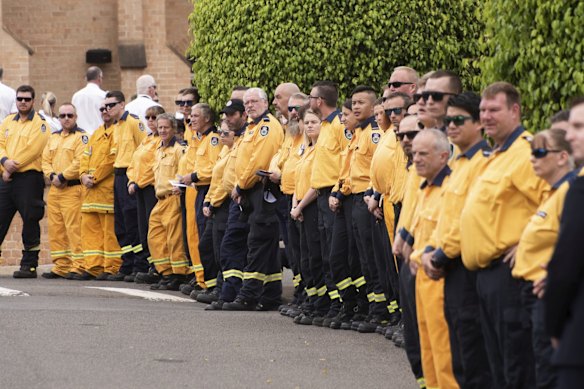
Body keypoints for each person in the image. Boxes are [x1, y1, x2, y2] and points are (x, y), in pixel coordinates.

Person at [460, 82, 547, 388]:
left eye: (494, 109)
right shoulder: (496, 155)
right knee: (496, 364)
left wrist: (527, 239)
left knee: (516, 365)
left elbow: (557, 197)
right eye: (483, 110)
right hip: (486, 278)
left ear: (515, 110)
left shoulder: (526, 152)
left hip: (509, 277)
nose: (486, 116)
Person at [422, 92, 493, 388]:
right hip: (446, 264)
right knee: (458, 358)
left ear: (479, 123)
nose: (450, 125)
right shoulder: (459, 163)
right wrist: (430, 249)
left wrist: (439, 254)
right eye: (448, 120)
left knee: (473, 359)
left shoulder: (484, 163)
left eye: (459, 120)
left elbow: (470, 219)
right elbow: (446, 216)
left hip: (466, 267)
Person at [513, 128, 575, 388]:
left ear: (562, 157)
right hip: (533, 293)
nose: (532, 159)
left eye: (539, 152)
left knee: (549, 371)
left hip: (548, 293)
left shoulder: (571, 192)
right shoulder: (554, 192)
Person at [222, 87, 284, 311]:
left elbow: (258, 161)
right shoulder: (252, 127)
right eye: (246, 102)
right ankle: (270, 295)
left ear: (265, 103)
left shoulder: (267, 127)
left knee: (257, 242)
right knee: (264, 245)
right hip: (252, 191)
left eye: (254, 101)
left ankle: (248, 295)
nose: (249, 105)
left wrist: (240, 185)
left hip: (260, 189)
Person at [408, 129, 459, 389]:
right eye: (414, 153)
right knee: (427, 351)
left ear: (443, 156)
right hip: (422, 280)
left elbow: (449, 234)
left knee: (444, 355)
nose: (416, 158)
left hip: (440, 280)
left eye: (423, 153)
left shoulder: (450, 188)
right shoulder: (425, 188)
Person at [545, 99, 584, 389]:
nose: (569, 136)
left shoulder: (579, 190)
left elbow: (565, 267)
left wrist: (555, 326)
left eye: (579, 127)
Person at [307, 81, 348, 324]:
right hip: (322, 196)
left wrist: (337, 191)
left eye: (312, 97)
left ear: (319, 101)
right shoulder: (324, 126)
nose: (310, 101)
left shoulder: (338, 126)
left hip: (333, 196)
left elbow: (346, 161)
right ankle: (333, 303)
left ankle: (344, 304)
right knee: (324, 254)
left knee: (336, 254)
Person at [346, 85, 386, 331]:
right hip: (355, 199)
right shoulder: (358, 133)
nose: (356, 107)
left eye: (361, 103)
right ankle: (373, 308)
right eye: (354, 103)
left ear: (373, 106)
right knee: (362, 257)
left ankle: (380, 310)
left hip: (367, 197)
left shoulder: (373, 133)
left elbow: (377, 170)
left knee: (372, 256)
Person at [0, 85, 50, 278]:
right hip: (7, 177)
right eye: (20, 99)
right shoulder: (7, 121)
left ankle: (29, 265)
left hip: (29, 179)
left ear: (33, 102)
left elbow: (34, 149)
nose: (23, 102)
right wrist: (5, 162)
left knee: (30, 220)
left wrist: (11, 166)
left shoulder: (40, 124)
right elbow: (0, 144)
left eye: (27, 99)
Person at [391, 114, 425, 386]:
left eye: (412, 135)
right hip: (408, 256)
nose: (405, 141)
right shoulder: (414, 168)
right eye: (401, 135)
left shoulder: (436, 167)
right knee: (416, 345)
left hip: (428, 260)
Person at [327, 99, 367, 329]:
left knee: (356, 260)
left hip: (357, 199)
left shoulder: (368, 134)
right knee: (338, 257)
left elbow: (364, 173)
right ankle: (349, 303)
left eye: (346, 114)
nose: (342, 119)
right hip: (344, 199)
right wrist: (337, 192)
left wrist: (341, 193)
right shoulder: (353, 136)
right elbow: (345, 172)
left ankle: (364, 306)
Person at [207, 98, 249, 310]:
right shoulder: (233, 145)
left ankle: (230, 291)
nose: (228, 120)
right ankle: (227, 291)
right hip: (230, 200)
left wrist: (241, 188)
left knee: (230, 246)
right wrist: (209, 201)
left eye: (232, 115)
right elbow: (220, 179)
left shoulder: (245, 140)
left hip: (238, 199)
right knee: (225, 248)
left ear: (243, 115)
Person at [74, 100, 121, 280]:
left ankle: (111, 267)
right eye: (101, 109)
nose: (105, 111)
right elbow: (85, 156)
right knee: (90, 232)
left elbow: (111, 159)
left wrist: (94, 177)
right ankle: (93, 266)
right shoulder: (96, 133)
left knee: (109, 233)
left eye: (108, 108)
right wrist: (83, 175)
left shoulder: (117, 132)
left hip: (105, 190)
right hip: (90, 192)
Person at [291, 108, 330, 325]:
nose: (310, 126)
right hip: (301, 207)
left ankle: (321, 304)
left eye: (314, 121)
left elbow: (316, 184)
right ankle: (312, 300)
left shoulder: (321, 150)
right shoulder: (306, 149)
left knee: (316, 257)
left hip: (312, 206)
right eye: (307, 122)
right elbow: (299, 180)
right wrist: (295, 203)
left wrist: (300, 205)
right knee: (305, 258)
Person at [271, 92, 309, 315]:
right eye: (291, 108)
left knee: (304, 252)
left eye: (298, 109)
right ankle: (300, 292)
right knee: (294, 252)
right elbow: (283, 160)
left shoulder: (307, 135)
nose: (293, 112)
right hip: (288, 198)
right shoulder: (290, 134)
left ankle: (307, 295)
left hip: (303, 200)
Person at [41, 103, 87, 279]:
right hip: (54, 190)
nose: (66, 119)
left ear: (75, 117)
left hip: (72, 189)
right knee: (56, 229)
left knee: (74, 228)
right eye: (62, 116)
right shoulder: (54, 138)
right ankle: (61, 265)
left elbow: (80, 161)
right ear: (58, 118)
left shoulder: (81, 137)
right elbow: (45, 159)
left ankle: (78, 265)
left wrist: (62, 176)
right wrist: (52, 175)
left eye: (70, 115)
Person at [105, 91, 148, 281]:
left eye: (111, 105)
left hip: (129, 176)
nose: (108, 109)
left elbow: (144, 149)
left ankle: (139, 264)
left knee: (132, 221)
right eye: (105, 106)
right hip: (118, 174)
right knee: (121, 223)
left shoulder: (133, 122)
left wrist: (135, 178)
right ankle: (127, 263)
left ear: (122, 104)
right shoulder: (116, 126)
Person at [181, 103, 221, 293]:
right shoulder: (201, 139)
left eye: (196, 116)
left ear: (207, 118)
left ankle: (211, 284)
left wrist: (194, 176)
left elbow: (214, 168)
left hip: (208, 190)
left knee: (207, 239)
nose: (192, 119)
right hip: (199, 190)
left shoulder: (213, 139)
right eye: (191, 116)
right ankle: (205, 282)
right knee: (199, 237)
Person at [197, 120, 239, 305]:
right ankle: (214, 286)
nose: (221, 135)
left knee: (222, 249)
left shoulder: (236, 151)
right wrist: (207, 200)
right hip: (214, 203)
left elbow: (225, 183)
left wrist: (213, 203)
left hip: (223, 204)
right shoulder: (224, 151)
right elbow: (216, 181)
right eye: (220, 132)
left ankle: (222, 289)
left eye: (225, 133)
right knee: (208, 247)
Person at [147, 113, 190, 290]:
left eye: (166, 127)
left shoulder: (179, 149)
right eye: (160, 127)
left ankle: (178, 274)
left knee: (174, 240)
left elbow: (183, 171)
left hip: (173, 198)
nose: (163, 130)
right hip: (160, 199)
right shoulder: (158, 149)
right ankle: (165, 272)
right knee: (155, 237)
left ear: (173, 129)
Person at [127, 105, 165, 283]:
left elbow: (153, 167)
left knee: (153, 229)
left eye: (154, 118)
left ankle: (158, 267)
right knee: (143, 228)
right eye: (148, 118)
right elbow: (135, 162)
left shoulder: (160, 141)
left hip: (150, 188)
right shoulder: (147, 139)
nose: (151, 121)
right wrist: (131, 180)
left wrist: (139, 182)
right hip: (139, 188)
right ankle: (151, 264)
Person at [72, 66, 107, 135]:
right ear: (99, 78)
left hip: (80, 137)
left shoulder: (76, 96)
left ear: (86, 78)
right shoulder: (103, 95)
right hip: (99, 135)